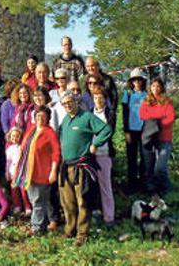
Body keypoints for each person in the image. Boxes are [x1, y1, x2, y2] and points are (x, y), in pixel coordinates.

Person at [57, 93, 113, 246]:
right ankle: (70, 230)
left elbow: (106, 130)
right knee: (68, 202)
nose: (68, 105)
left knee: (83, 201)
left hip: (81, 166)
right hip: (66, 166)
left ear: (76, 101)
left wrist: (95, 144)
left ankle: (82, 234)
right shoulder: (66, 120)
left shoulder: (87, 117)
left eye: (70, 102)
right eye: (64, 103)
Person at [13, 107, 61, 235]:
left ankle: (37, 229)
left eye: (43, 116)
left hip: (42, 172)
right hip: (29, 172)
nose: (40, 118)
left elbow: (56, 154)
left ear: (48, 118)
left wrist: (53, 170)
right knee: (35, 200)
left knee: (38, 201)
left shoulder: (50, 133)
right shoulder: (32, 129)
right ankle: (41, 225)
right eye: (38, 116)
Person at [139, 78, 175, 196]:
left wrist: (156, 122)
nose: (155, 89)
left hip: (164, 137)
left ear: (162, 88)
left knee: (160, 167)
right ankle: (152, 189)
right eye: (153, 86)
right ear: (150, 87)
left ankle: (166, 189)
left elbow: (170, 118)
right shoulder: (147, 101)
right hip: (150, 137)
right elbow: (142, 114)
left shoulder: (167, 101)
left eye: (158, 86)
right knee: (149, 165)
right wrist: (159, 116)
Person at [89, 86, 116, 226]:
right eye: (95, 97)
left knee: (105, 186)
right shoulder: (89, 112)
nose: (98, 100)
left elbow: (109, 131)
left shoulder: (110, 113)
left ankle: (109, 217)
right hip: (90, 155)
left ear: (105, 99)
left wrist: (97, 143)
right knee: (92, 186)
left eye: (100, 97)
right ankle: (95, 213)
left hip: (104, 153)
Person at [122, 68, 148, 191]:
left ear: (142, 81)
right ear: (131, 82)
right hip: (131, 130)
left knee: (144, 158)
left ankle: (142, 183)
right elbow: (124, 114)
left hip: (144, 130)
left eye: (139, 80)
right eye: (134, 80)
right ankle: (131, 184)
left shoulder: (147, 95)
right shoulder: (127, 94)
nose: (137, 82)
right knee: (131, 157)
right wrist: (126, 131)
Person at [5, 127, 30, 216]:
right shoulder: (9, 149)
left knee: (23, 190)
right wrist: (7, 173)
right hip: (12, 173)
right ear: (10, 137)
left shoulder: (22, 147)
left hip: (22, 173)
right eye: (13, 137)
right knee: (14, 190)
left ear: (20, 137)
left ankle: (27, 206)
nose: (15, 138)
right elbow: (8, 162)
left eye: (17, 136)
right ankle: (17, 206)